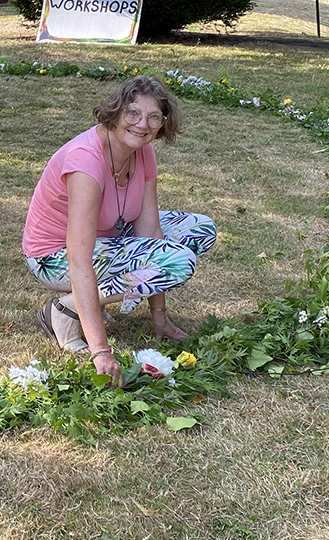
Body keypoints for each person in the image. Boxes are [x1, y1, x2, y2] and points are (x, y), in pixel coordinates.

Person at [22, 75, 216, 384]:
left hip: (108, 236)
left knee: (199, 229)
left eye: (154, 117)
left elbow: (150, 233)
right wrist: (100, 351)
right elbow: (78, 258)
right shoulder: (86, 161)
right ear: (115, 112)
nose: (143, 124)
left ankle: (88, 300)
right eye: (133, 113)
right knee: (178, 260)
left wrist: (160, 318)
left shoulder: (142, 151)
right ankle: (66, 309)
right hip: (55, 257)